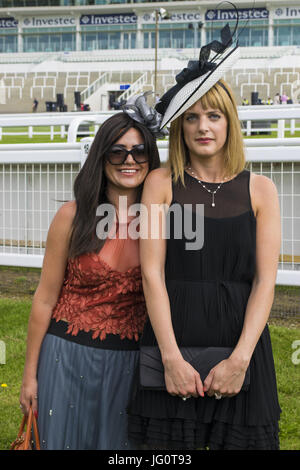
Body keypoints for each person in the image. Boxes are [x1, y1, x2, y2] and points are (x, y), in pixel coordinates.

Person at [127, 23, 282, 450]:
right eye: (192, 116)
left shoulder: (261, 190)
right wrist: (171, 358)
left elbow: (265, 282)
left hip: (241, 345)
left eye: (213, 115)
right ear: (179, 126)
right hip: (174, 340)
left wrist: (240, 360)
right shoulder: (160, 183)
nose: (203, 127)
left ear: (229, 121)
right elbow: (151, 276)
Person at [19, 110, 161, 450]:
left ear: (150, 159)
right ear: (101, 157)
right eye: (117, 151)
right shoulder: (72, 216)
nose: (130, 160)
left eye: (139, 151)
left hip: (132, 364)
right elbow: (44, 298)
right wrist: (29, 376)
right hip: (65, 358)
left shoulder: (166, 221)